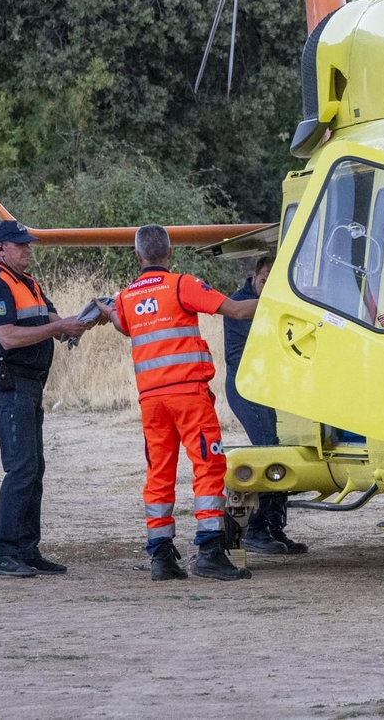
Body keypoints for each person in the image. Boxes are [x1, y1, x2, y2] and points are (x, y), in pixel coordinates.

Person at [107, 225, 260, 582]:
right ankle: (210, 552)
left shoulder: (126, 297)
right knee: (207, 466)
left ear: (138, 257)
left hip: (151, 400)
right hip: (188, 395)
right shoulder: (182, 285)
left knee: (159, 474)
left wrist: (107, 309)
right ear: (170, 253)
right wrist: (282, 300)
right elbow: (237, 311)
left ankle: (161, 557)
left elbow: (125, 326)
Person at [0, 220, 93, 578]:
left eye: (28, 244)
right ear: (0, 249)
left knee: (33, 468)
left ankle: (26, 550)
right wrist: (59, 327)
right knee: (22, 467)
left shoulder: (28, 283)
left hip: (25, 384)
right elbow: (8, 337)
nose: (28, 249)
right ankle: (3, 553)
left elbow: (56, 322)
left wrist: (89, 317)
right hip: (8, 382)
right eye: (20, 244)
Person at [222, 252, 307, 556]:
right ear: (254, 277)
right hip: (247, 387)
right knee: (269, 451)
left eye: (273, 282)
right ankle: (256, 530)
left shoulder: (274, 301)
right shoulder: (239, 305)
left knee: (280, 451)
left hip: (268, 388)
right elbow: (258, 350)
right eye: (263, 281)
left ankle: (273, 527)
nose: (266, 286)